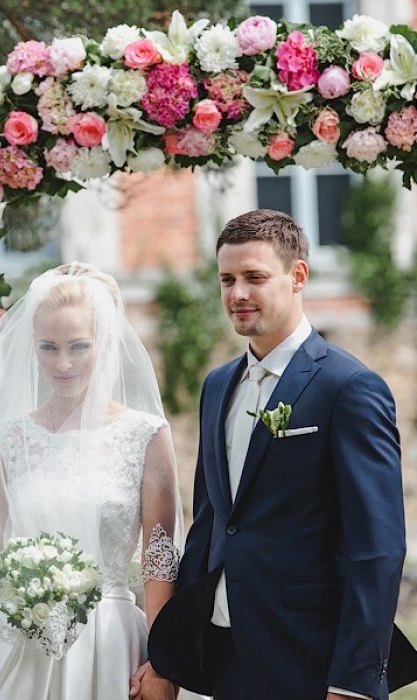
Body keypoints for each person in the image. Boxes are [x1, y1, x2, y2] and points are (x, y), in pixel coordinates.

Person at [0, 262, 205, 699]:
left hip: (112, 641)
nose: (63, 363)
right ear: (32, 347)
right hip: (26, 638)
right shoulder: (7, 438)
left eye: (78, 346)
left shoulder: (145, 434)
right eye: (49, 347)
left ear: (104, 344)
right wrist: (33, 603)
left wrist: (162, 662)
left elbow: (159, 562)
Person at [145, 209, 417, 700]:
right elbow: (211, 525)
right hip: (226, 655)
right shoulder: (217, 386)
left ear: (297, 277)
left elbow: (376, 548)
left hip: (312, 659)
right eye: (227, 279)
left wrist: (353, 683)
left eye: (254, 277)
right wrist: (168, 657)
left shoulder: (350, 387)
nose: (237, 294)